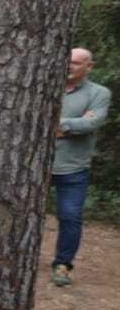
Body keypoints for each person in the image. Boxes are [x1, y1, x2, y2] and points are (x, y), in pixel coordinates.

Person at [49, 47, 110, 287]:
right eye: (68, 61)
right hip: (35, 167)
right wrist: (71, 126)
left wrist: (55, 125)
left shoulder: (98, 93)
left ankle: (63, 264)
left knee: (70, 216)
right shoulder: (46, 87)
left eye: (76, 62)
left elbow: (91, 123)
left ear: (89, 66)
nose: (69, 66)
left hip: (73, 167)